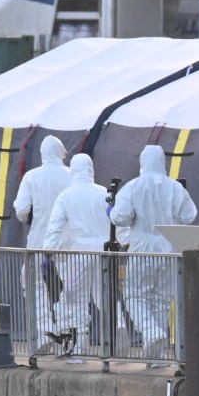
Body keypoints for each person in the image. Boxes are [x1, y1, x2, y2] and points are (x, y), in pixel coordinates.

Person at [109, 145, 198, 363]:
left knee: (134, 295)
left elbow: (120, 217)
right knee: (161, 299)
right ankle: (155, 356)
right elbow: (190, 216)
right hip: (169, 246)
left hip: (142, 247)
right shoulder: (176, 188)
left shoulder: (133, 187)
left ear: (142, 162)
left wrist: (111, 212)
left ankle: (151, 332)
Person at [43, 154, 111, 363]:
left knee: (76, 300)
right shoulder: (104, 193)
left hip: (79, 251)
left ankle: (79, 347)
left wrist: (48, 251)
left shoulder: (66, 196)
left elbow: (55, 228)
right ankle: (118, 331)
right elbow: (118, 220)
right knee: (105, 295)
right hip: (105, 250)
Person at [13, 135, 71, 345]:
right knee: (73, 286)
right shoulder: (72, 174)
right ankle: (65, 331)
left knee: (32, 283)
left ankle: (45, 329)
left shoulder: (31, 176)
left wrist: (32, 219)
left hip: (38, 237)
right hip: (67, 239)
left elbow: (21, 210)